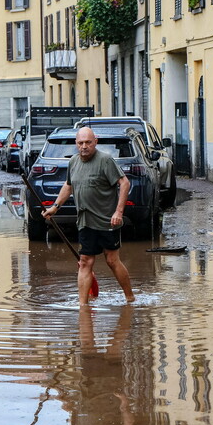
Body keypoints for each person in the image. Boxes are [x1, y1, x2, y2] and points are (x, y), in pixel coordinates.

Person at [43, 127, 136, 305]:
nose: (84, 146)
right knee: (85, 261)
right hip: (85, 221)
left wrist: (118, 212)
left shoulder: (105, 160)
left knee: (112, 260)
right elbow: (68, 185)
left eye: (88, 142)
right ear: (76, 144)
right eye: (80, 143)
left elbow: (124, 183)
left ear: (96, 142)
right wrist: (55, 207)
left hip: (107, 221)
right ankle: (83, 305)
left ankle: (130, 297)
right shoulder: (73, 162)